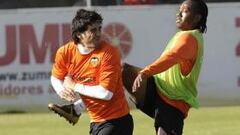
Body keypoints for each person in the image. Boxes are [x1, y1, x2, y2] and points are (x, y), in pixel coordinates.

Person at [48, 9, 133, 135]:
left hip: (117, 121)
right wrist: (62, 90)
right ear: (79, 34)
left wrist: (74, 86)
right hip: (95, 122)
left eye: (99, 28)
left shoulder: (108, 53)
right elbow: (56, 77)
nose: (98, 33)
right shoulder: (65, 52)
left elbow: (106, 93)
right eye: (93, 30)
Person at [132, 0, 208, 135]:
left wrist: (145, 72)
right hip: (159, 90)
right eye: (179, 10)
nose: (178, 14)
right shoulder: (184, 35)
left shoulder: (189, 38)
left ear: (197, 18)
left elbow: (170, 58)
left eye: (184, 11)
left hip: (173, 100)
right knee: (124, 72)